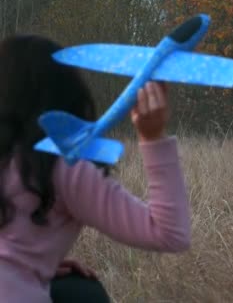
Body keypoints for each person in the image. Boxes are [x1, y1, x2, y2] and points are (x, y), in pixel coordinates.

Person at [0, 34, 191, 302]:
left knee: (77, 290)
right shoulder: (62, 165)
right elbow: (171, 233)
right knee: (86, 295)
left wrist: (34, 262)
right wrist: (152, 137)